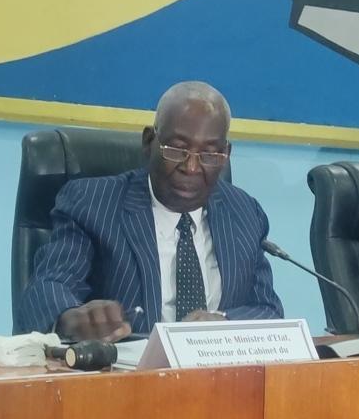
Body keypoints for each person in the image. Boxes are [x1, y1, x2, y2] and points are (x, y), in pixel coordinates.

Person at [15, 81, 282, 341]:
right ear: (149, 141)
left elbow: (267, 309)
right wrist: (69, 318)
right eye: (177, 150)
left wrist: (224, 322)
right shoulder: (93, 203)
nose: (191, 167)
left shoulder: (245, 213)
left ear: (226, 155)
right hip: (124, 368)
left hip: (215, 368)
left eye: (209, 155)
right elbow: (49, 285)